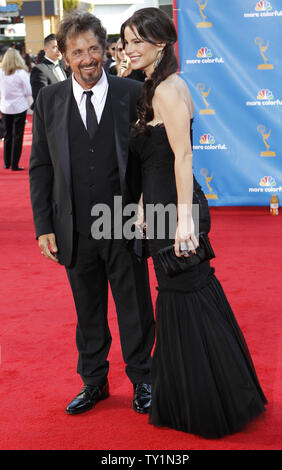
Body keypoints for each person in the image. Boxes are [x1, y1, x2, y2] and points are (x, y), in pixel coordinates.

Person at [121, 7, 267, 439]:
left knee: (187, 296)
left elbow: (184, 157)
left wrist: (183, 220)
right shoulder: (152, 86)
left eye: (136, 41)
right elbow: (155, 158)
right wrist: (146, 206)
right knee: (181, 299)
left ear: (160, 44)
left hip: (178, 211)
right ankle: (195, 393)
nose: (129, 48)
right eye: (126, 40)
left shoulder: (168, 89)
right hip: (162, 207)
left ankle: (209, 400)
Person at [29, 11, 155, 416]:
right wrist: (43, 226)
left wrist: (148, 206)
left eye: (94, 49)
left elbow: (153, 160)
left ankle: (143, 380)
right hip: (75, 227)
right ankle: (94, 383)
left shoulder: (131, 92)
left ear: (106, 49)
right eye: (77, 51)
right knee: (88, 312)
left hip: (122, 221)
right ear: (63, 56)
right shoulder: (49, 100)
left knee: (134, 307)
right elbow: (41, 166)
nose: (87, 59)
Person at [0, 48, 32, 170]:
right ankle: (14, 164)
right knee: (17, 136)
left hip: (5, 107)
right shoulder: (21, 73)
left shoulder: (1, 72)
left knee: (7, 135)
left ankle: (6, 163)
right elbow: (28, 91)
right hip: (19, 107)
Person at [30, 34, 67, 107]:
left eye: (60, 47)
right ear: (45, 49)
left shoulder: (61, 66)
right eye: (55, 47)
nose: (59, 50)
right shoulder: (39, 69)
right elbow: (41, 98)